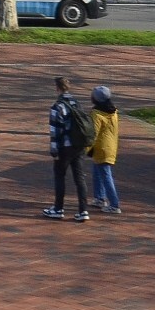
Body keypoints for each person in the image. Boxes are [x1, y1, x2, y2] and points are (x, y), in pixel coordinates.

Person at [44, 75, 90, 220]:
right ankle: (83, 211)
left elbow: (55, 131)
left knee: (60, 177)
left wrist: (54, 151)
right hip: (79, 146)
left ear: (57, 88)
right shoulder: (77, 103)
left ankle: (58, 208)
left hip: (64, 147)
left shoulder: (57, 107)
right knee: (80, 178)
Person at [88, 85, 122, 214]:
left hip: (101, 147)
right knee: (97, 172)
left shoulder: (96, 114)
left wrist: (87, 148)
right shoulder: (113, 111)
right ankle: (99, 198)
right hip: (110, 146)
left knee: (106, 175)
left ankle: (114, 204)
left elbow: (93, 134)